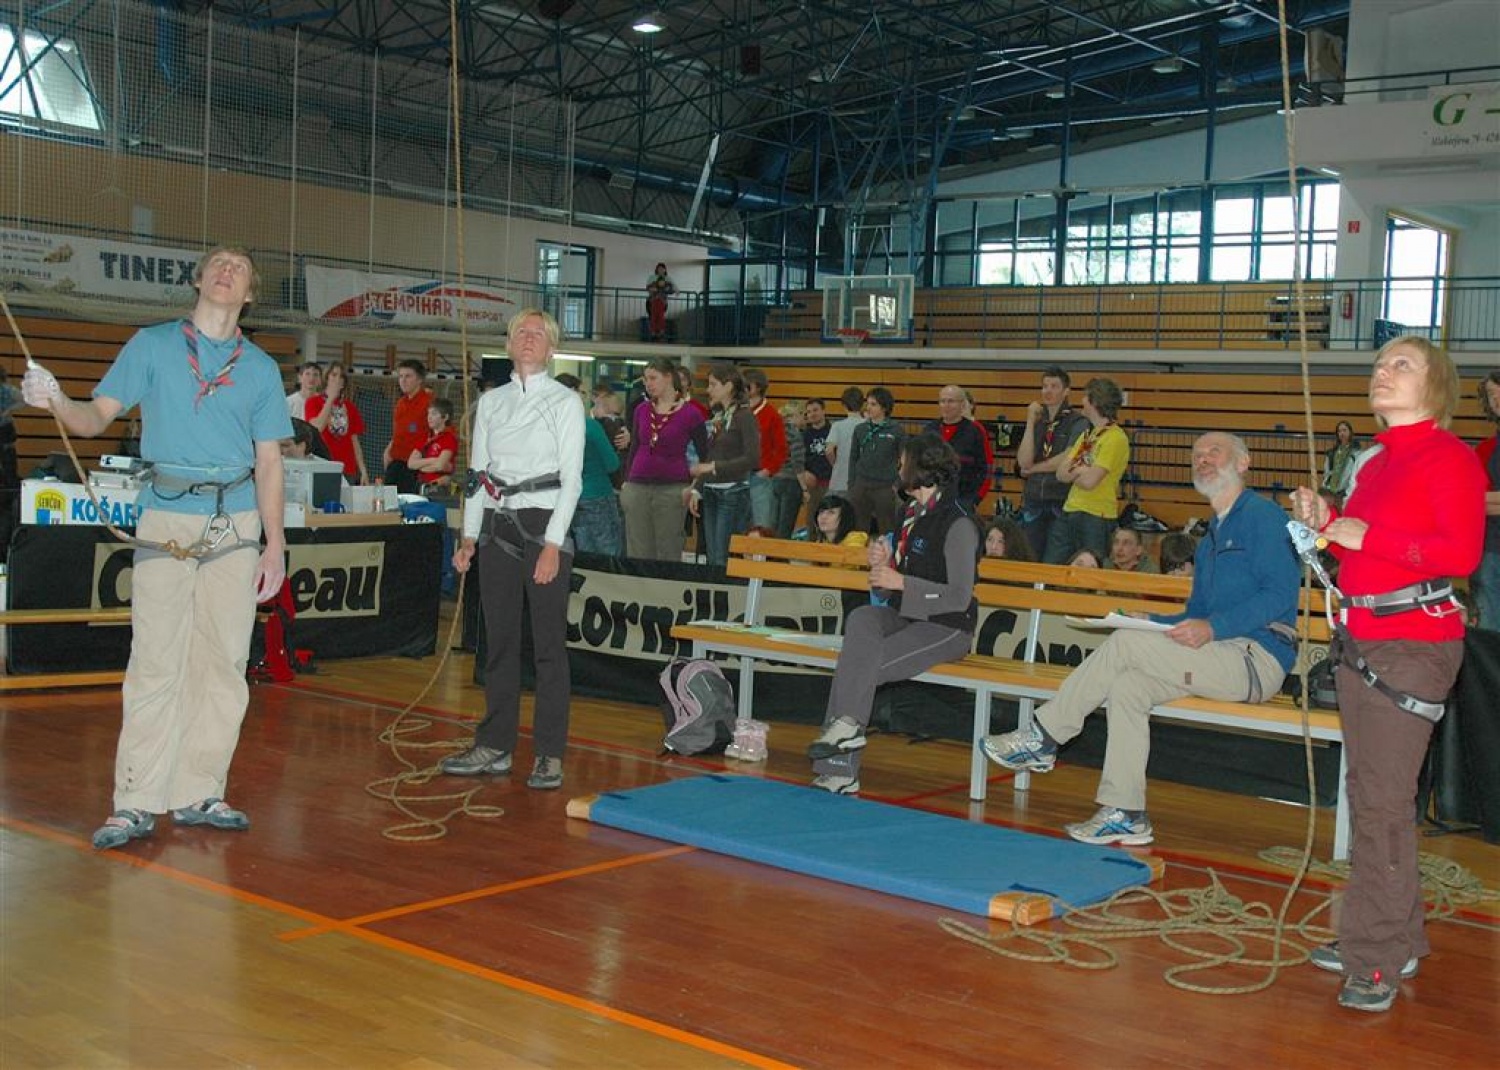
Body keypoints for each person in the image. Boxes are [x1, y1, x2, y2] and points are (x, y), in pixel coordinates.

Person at [20, 245, 291, 850]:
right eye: (218, 264)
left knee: (222, 664)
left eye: (241, 268)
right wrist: (56, 398)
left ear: (249, 293)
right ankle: (136, 797)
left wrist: (275, 546)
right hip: (166, 516)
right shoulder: (151, 345)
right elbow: (92, 420)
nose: (228, 272)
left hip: (236, 523)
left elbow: (270, 461)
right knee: (155, 661)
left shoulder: (261, 369)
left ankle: (199, 790)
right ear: (198, 279)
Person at [1290, 336, 1484, 1014]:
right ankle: (1392, 937)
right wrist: (1329, 521)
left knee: (1379, 804)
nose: (1382, 371)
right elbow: (1361, 539)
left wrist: (1363, 536)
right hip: (1366, 637)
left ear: (1437, 386)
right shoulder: (1374, 465)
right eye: (1379, 363)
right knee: (1374, 796)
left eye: (1401, 364)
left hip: (1412, 642)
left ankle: (1374, 957)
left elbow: (1458, 551)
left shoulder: (1449, 459)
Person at [984, 432, 1299, 847]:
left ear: (1243, 463)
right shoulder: (1210, 541)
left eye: (1214, 452)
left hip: (1256, 658)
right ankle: (1126, 811)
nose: (1202, 459)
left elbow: (1279, 594)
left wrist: (1213, 628)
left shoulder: (1264, 518)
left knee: (1126, 645)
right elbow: (1195, 614)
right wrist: (1151, 619)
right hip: (1218, 652)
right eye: (1196, 454)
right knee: (1128, 687)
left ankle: (1043, 737)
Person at [441, 307, 584, 791]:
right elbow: (479, 476)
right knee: (498, 641)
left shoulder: (565, 403)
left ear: (550, 347)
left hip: (545, 522)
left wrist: (551, 545)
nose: (528, 339)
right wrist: (467, 536)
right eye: (521, 332)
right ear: (508, 344)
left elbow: (572, 480)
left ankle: (548, 753)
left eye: (538, 334)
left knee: (547, 647)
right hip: (498, 526)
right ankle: (495, 743)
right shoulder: (493, 403)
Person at [804, 435, 982, 794]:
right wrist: (884, 569)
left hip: (947, 625)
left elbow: (960, 597)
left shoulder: (959, 523)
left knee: (857, 665)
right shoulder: (907, 514)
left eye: (902, 462)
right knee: (863, 618)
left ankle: (841, 761)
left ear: (922, 469)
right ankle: (848, 732)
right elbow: (888, 590)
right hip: (907, 614)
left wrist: (901, 581)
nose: (898, 468)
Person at [620, 357, 706, 561]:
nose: (648, 384)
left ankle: (664, 591)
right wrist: (625, 481)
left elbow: (706, 455)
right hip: (637, 486)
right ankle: (638, 590)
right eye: (645, 380)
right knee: (637, 548)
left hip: (672, 488)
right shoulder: (641, 410)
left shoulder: (691, 413)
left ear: (668, 378)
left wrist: (695, 487)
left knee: (668, 548)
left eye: (653, 378)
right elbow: (634, 446)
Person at [1042, 377, 1128, 566]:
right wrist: (1083, 470)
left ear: (1095, 402)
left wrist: (1076, 470)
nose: (1081, 401)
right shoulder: (1088, 435)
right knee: (1051, 566)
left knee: (1091, 571)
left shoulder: (1115, 438)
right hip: (1070, 510)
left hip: (1096, 516)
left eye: (1085, 397)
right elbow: (1060, 473)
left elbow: (1090, 482)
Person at [688, 363, 760, 567]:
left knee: (723, 557)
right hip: (711, 491)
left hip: (733, 492)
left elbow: (752, 457)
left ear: (728, 386)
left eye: (713, 384)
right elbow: (710, 455)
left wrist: (714, 467)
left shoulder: (745, 417)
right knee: (712, 556)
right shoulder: (719, 417)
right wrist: (697, 489)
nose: (709, 389)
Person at [1016, 366, 1090, 558]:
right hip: (1033, 499)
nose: (1048, 391)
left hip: (1060, 499)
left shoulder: (1078, 422)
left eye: (1054, 386)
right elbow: (1023, 461)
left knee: (1054, 559)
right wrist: (1030, 422)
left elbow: (1069, 456)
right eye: (1045, 386)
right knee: (1030, 557)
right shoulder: (1039, 422)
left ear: (1066, 391)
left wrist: (1033, 469)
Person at [557, 373, 623, 556]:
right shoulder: (590, 426)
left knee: (585, 554)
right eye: (583, 392)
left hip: (571, 498)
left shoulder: (554, 427)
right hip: (598, 495)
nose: (586, 398)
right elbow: (612, 463)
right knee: (608, 553)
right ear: (573, 393)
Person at [925, 384, 994, 511]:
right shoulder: (929, 430)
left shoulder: (975, 431)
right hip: (932, 499)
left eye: (951, 401)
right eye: (942, 401)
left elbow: (986, 468)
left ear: (962, 405)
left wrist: (976, 499)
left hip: (963, 500)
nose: (946, 405)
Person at [846, 387, 905, 536]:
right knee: (858, 530)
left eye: (873, 404)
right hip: (861, 485)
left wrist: (896, 484)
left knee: (887, 529)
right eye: (868, 403)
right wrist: (852, 484)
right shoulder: (860, 429)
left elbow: (905, 460)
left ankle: (888, 558)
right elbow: (853, 457)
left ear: (884, 407)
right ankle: (858, 559)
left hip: (885, 486)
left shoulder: (896, 430)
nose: (868, 408)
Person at [1471, 370, 1500, 630]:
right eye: (1492, 394)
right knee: (1491, 629)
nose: (1497, 399)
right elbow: (1470, 501)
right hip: (1490, 549)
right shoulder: (1485, 449)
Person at [306, 363, 367, 484]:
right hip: (323, 464)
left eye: (341, 376)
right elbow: (317, 427)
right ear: (326, 378)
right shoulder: (313, 402)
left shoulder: (350, 407)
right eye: (333, 374)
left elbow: (354, 441)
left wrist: (363, 470)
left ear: (343, 383)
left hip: (347, 467)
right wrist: (330, 400)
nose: (337, 379)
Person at [743, 369, 788, 531]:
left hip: (759, 477)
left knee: (761, 526)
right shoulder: (737, 411)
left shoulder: (771, 414)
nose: (742, 389)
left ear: (757, 387)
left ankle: (760, 556)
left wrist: (768, 470)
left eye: (746, 385)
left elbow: (781, 448)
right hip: (737, 476)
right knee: (738, 526)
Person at [383, 359, 434, 493]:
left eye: (408, 376)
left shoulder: (429, 402)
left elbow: (436, 434)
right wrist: (389, 450)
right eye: (400, 376)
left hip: (414, 465)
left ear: (419, 379)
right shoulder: (400, 403)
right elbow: (399, 432)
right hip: (396, 462)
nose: (403, 380)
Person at [407, 397, 459, 493]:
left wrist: (421, 466)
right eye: (428, 413)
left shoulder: (449, 438)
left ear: (445, 417)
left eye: (434, 413)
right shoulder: (425, 437)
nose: (429, 417)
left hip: (438, 486)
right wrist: (433, 460)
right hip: (421, 484)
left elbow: (440, 465)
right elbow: (411, 464)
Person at [772, 400, 806, 538]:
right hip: (790, 481)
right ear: (794, 415)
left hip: (774, 480)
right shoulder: (794, 433)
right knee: (786, 525)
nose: (804, 419)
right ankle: (780, 557)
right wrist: (804, 488)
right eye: (802, 415)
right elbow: (797, 462)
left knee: (773, 523)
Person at [825, 386, 865, 498]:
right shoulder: (869, 426)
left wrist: (835, 463)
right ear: (862, 404)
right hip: (862, 482)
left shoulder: (837, 426)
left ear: (843, 405)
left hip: (840, 481)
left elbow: (829, 451)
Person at [800, 397, 834, 522]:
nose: (812, 414)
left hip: (831, 484)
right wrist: (804, 473)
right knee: (812, 520)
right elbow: (798, 459)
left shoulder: (834, 431)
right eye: (809, 412)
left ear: (823, 411)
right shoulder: (804, 435)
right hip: (812, 485)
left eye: (815, 410)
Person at [1320, 420, 1362, 505]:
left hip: (1346, 491)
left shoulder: (1357, 452)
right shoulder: (1332, 452)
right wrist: (1326, 484)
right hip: (1330, 490)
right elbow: (1327, 471)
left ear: (1350, 432)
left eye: (1344, 430)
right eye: (1339, 431)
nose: (1342, 433)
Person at [646, 262, 676, 342]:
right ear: (656, 269)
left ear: (665, 270)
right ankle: (653, 333)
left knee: (661, 317)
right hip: (652, 301)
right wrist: (653, 290)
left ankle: (660, 333)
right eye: (659, 269)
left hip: (662, 302)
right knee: (653, 317)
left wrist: (674, 290)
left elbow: (672, 288)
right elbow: (648, 288)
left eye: (662, 269)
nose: (661, 270)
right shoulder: (652, 278)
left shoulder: (668, 279)